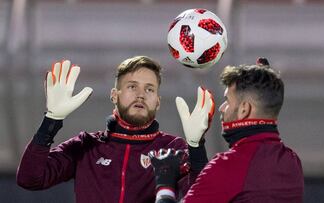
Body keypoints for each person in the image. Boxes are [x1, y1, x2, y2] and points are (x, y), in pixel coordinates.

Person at [16, 56, 210, 203]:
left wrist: (196, 147)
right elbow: (29, 178)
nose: (141, 95)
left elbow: (203, 198)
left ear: (158, 102)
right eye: (132, 87)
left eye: (149, 89)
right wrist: (51, 120)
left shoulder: (171, 149)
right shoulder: (86, 145)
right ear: (114, 96)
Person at [151, 58, 304, 203]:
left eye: (227, 101)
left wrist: (165, 186)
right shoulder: (292, 162)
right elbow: (214, 192)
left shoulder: (229, 166)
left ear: (244, 109)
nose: (222, 108)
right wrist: (195, 146)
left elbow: (223, 182)